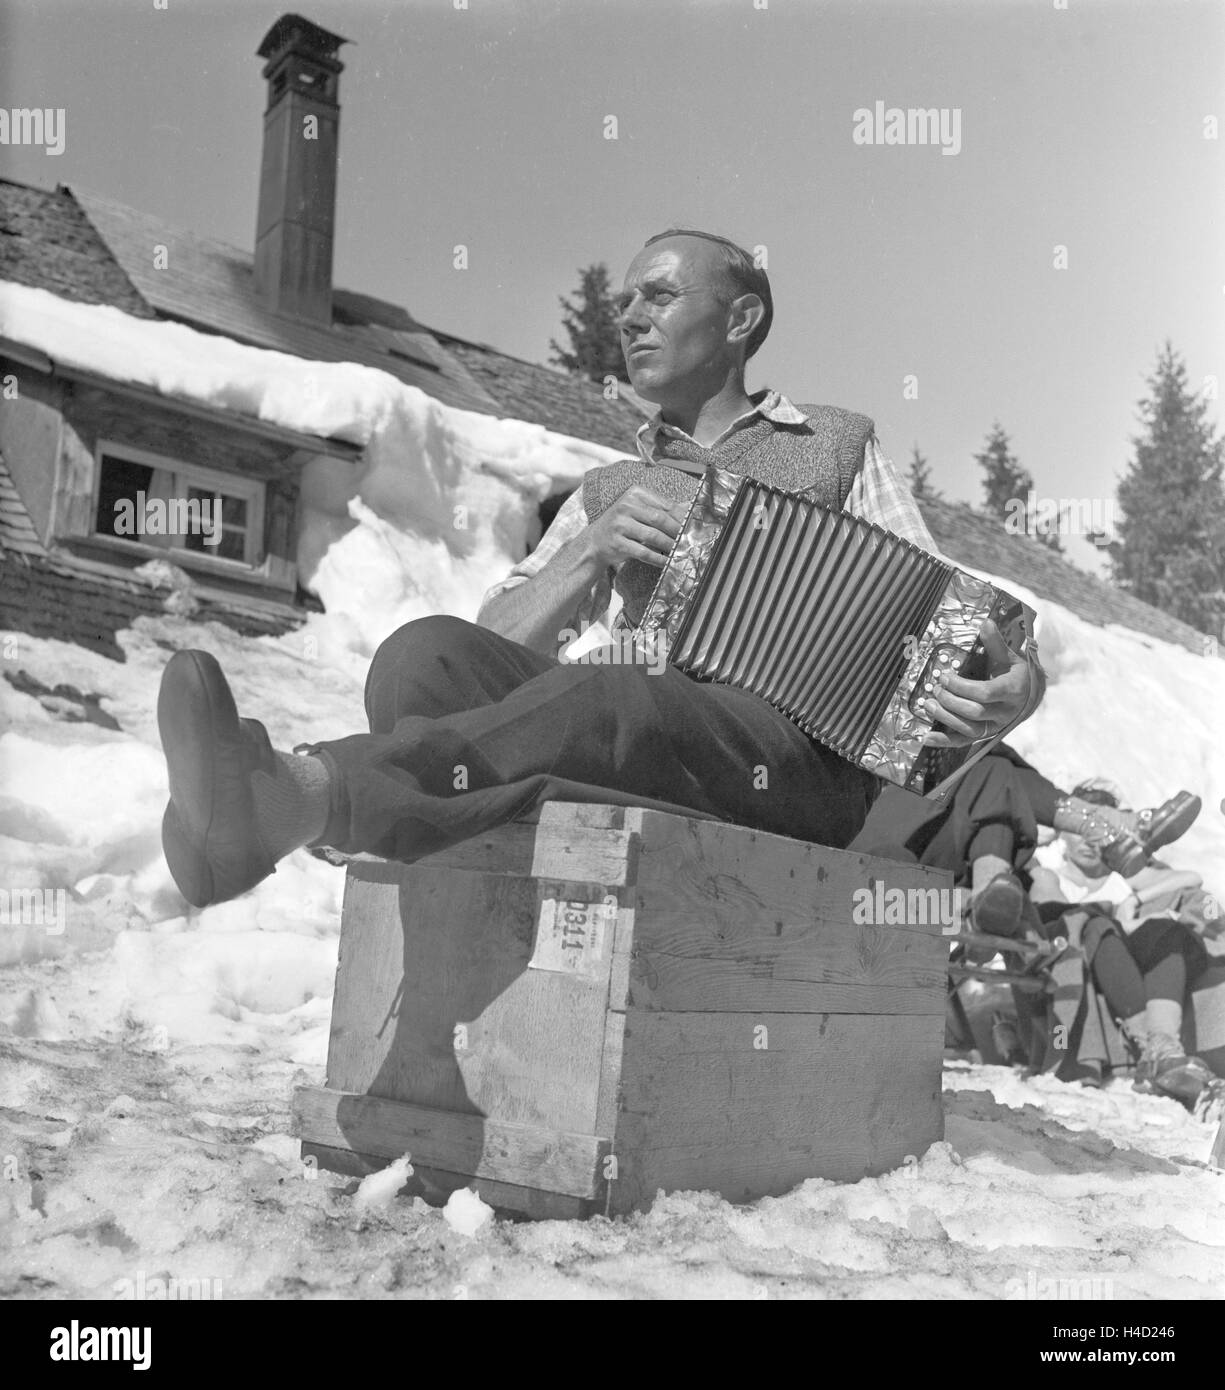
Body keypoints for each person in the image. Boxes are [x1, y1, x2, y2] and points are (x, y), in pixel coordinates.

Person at [157, 229, 1045, 909]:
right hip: (636, 744)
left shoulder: (837, 446)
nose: (627, 317)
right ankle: (462, 863)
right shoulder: (609, 488)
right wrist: (586, 553)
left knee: (614, 692)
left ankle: (298, 797)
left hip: (798, 770)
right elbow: (483, 643)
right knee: (417, 656)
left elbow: (956, 626)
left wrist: (1016, 684)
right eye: (623, 301)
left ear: (740, 321)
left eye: (657, 296)